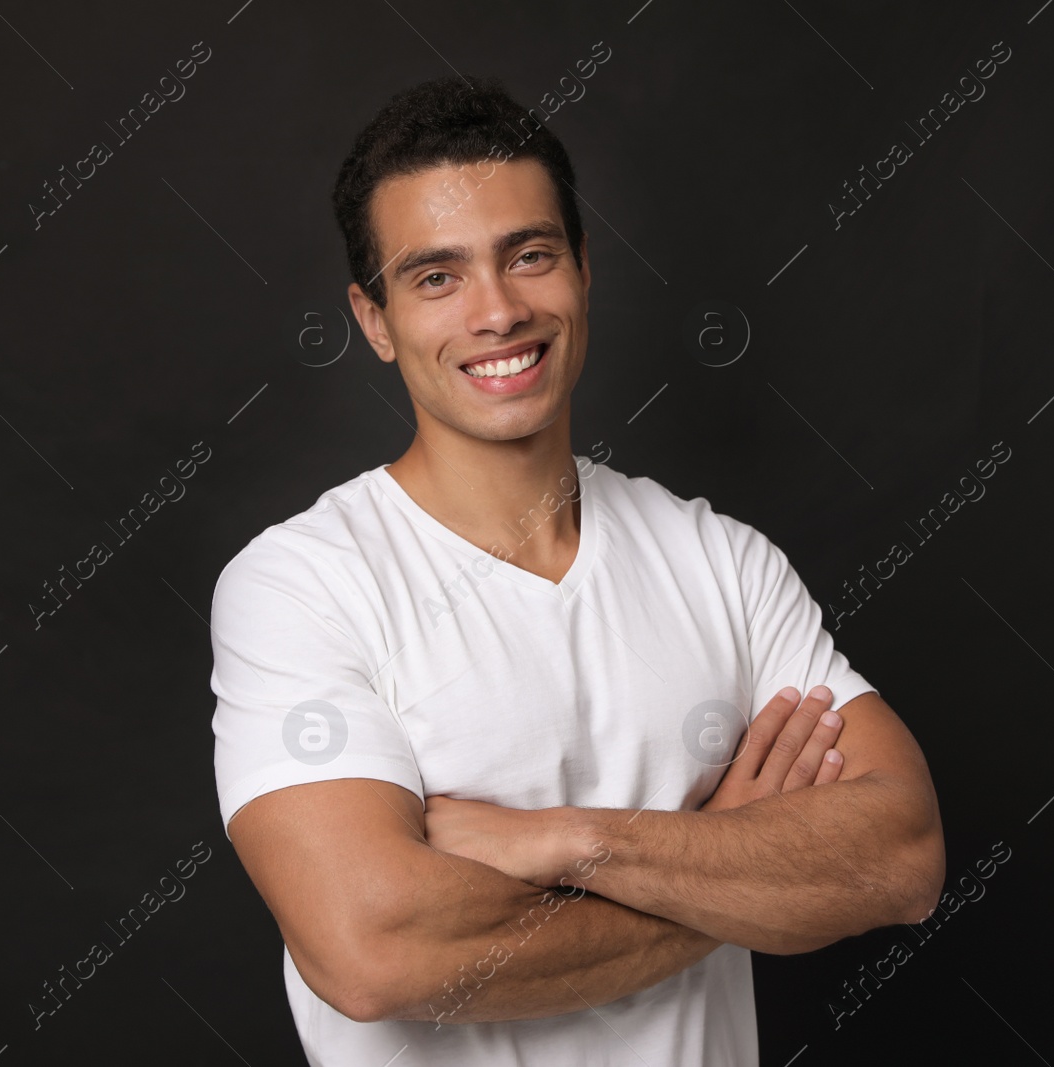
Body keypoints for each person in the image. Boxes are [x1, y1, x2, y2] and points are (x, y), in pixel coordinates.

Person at [209, 74, 944, 1066]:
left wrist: (569, 841)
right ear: (374, 318)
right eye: (437, 276)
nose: (498, 310)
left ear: (584, 269)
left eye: (529, 255)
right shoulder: (300, 586)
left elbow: (900, 855)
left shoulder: (716, 558)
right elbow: (372, 949)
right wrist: (727, 860)